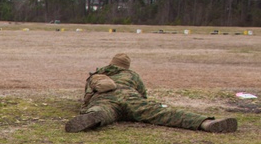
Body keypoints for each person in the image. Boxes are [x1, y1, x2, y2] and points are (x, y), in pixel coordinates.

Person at [65, 53, 238, 133]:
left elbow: (87, 95)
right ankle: (204, 123)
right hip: (131, 98)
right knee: (164, 113)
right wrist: (139, 107)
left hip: (105, 99)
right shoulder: (132, 75)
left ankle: (95, 117)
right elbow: (142, 95)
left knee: (103, 111)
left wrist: (88, 107)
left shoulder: (99, 74)